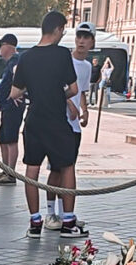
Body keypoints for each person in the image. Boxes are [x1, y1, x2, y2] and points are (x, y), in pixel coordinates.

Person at [10, 10, 86, 238]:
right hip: (56, 120)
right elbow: (73, 88)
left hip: (33, 120)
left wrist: (36, 88)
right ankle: (68, 222)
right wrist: (56, 90)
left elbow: (15, 91)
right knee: (67, 166)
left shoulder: (26, 57)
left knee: (31, 170)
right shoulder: (62, 54)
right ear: (58, 29)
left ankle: (35, 222)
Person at [44, 20, 95, 231]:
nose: (81, 41)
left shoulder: (87, 66)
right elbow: (55, 85)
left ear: (92, 41)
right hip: (58, 121)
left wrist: (84, 109)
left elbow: (81, 90)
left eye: (86, 38)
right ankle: (50, 213)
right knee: (57, 170)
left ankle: (67, 214)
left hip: (74, 126)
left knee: (68, 169)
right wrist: (68, 103)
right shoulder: (66, 59)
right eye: (79, 37)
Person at [0, 33, 23, 186]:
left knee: (10, 138)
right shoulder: (11, 62)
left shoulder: (16, 60)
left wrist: (17, 93)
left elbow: (20, 75)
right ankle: (5, 170)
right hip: (7, 106)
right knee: (3, 137)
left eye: (1, 45)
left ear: (8, 46)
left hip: (12, 106)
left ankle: (11, 173)